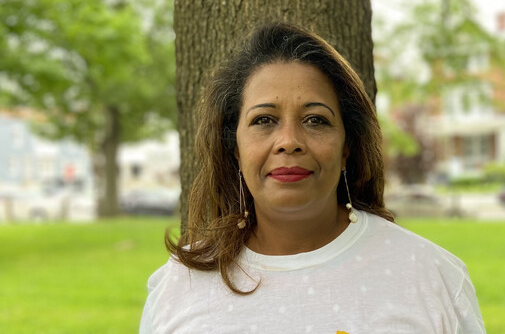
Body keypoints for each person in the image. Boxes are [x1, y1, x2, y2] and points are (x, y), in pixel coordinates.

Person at [140, 22, 486, 333]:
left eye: (316, 120)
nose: (289, 142)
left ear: (346, 145)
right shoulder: (178, 287)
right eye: (264, 120)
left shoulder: (431, 277)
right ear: (234, 148)